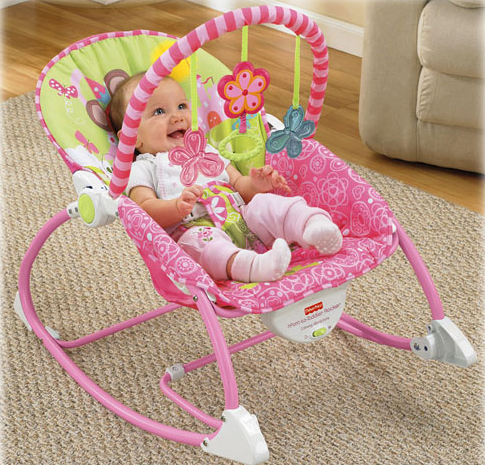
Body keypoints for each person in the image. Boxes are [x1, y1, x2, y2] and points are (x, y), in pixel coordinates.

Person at [109, 73, 342, 283]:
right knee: (201, 245)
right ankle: (255, 267)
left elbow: (239, 185)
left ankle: (313, 226)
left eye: (181, 106)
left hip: (242, 218)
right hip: (195, 228)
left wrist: (256, 185)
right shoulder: (143, 167)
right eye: (159, 112)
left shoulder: (208, 151)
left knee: (265, 203)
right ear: (132, 137)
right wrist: (176, 207)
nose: (177, 117)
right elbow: (143, 211)